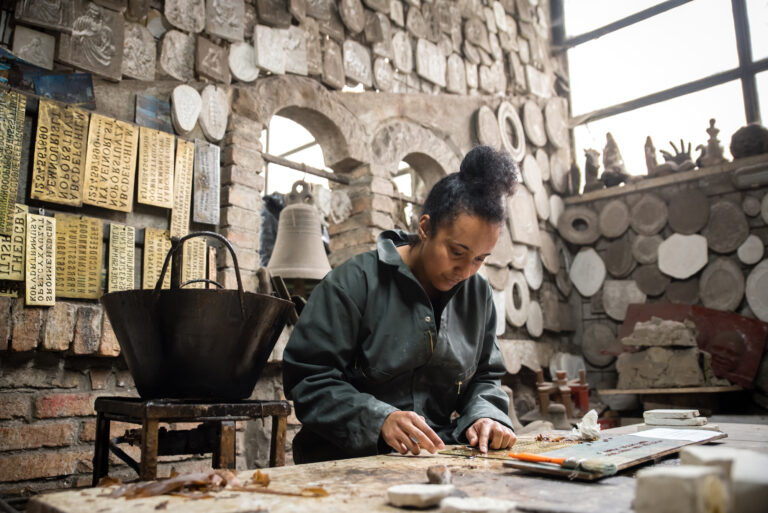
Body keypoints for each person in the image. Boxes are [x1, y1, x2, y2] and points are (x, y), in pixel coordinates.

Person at [283, 145, 518, 464]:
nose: (465, 270)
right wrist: (378, 419)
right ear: (425, 228)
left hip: (435, 458)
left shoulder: (477, 294)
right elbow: (308, 379)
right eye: (456, 252)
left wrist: (485, 416)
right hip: (343, 460)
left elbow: (485, 377)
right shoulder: (353, 283)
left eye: (479, 258)